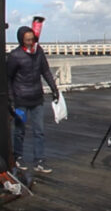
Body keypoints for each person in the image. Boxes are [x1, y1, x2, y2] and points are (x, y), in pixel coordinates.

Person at [7, 26, 59, 174]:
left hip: (37, 99)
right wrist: (11, 99)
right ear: (21, 40)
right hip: (20, 101)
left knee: (39, 131)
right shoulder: (14, 56)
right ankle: (18, 156)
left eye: (33, 39)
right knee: (20, 130)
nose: (31, 42)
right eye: (28, 40)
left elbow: (46, 71)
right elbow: (8, 78)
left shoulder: (38, 52)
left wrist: (54, 89)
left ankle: (39, 160)